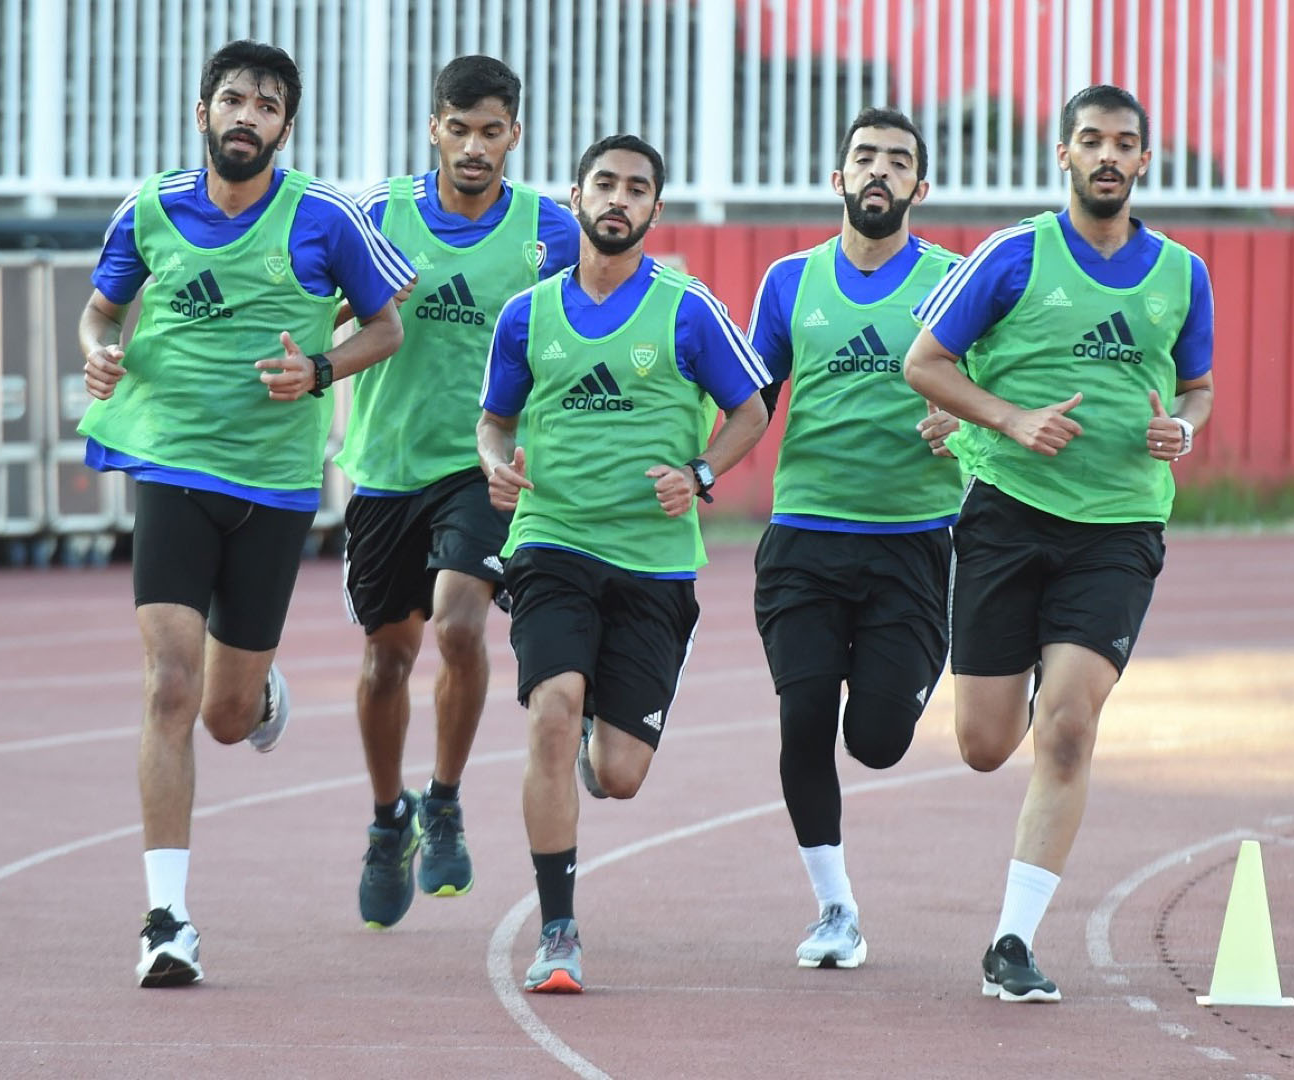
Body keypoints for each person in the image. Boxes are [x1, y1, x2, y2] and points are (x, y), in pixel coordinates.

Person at [77, 39, 412, 987]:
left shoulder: (325, 218)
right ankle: (167, 921)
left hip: (272, 485)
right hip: (171, 463)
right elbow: (100, 311)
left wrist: (321, 370)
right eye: (233, 100)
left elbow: (386, 325)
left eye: (266, 107)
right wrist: (97, 348)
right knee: (168, 688)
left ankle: (259, 695)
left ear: (285, 128)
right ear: (203, 113)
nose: (246, 117)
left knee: (224, 715)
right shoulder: (151, 208)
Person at [903, 84, 1215, 1003]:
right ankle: (1031, 673)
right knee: (983, 743)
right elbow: (924, 363)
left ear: (1146, 159)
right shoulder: (1012, 256)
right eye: (1091, 140)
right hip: (1007, 512)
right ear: (1064, 154)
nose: (1108, 155)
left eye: (1124, 141)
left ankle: (1013, 941)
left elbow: (1197, 388)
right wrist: (1010, 418)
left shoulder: (1182, 273)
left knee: (1070, 726)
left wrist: (1184, 429)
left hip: (1120, 525)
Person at [477, 134, 770, 993]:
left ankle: (596, 731)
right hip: (551, 540)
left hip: (653, 560)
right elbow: (494, 420)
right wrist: (496, 464)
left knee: (620, 775)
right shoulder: (527, 315)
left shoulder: (687, 309)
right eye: (604, 183)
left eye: (636, 188)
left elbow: (751, 409)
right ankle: (557, 929)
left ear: (655, 209)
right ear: (575, 197)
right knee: (551, 708)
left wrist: (701, 474)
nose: (618, 198)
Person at [338, 55, 581, 931]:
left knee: (461, 624)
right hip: (385, 466)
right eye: (459, 129)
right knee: (386, 662)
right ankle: (387, 819)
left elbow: (582, 335)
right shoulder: (378, 215)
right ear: (433, 129)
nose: (474, 147)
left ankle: (443, 800)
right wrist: (359, 306)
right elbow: (323, 316)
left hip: (484, 468)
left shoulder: (551, 232)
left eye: (491, 131)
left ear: (515, 134)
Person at [746, 107, 962, 969]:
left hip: (914, 541)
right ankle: (835, 909)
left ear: (921, 186)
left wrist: (965, 422)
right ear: (838, 178)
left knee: (876, 740)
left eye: (898, 161)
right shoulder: (788, 282)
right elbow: (747, 398)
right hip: (804, 537)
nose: (880, 170)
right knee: (804, 717)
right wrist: (692, 465)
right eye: (865, 157)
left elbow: (994, 388)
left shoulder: (954, 281)